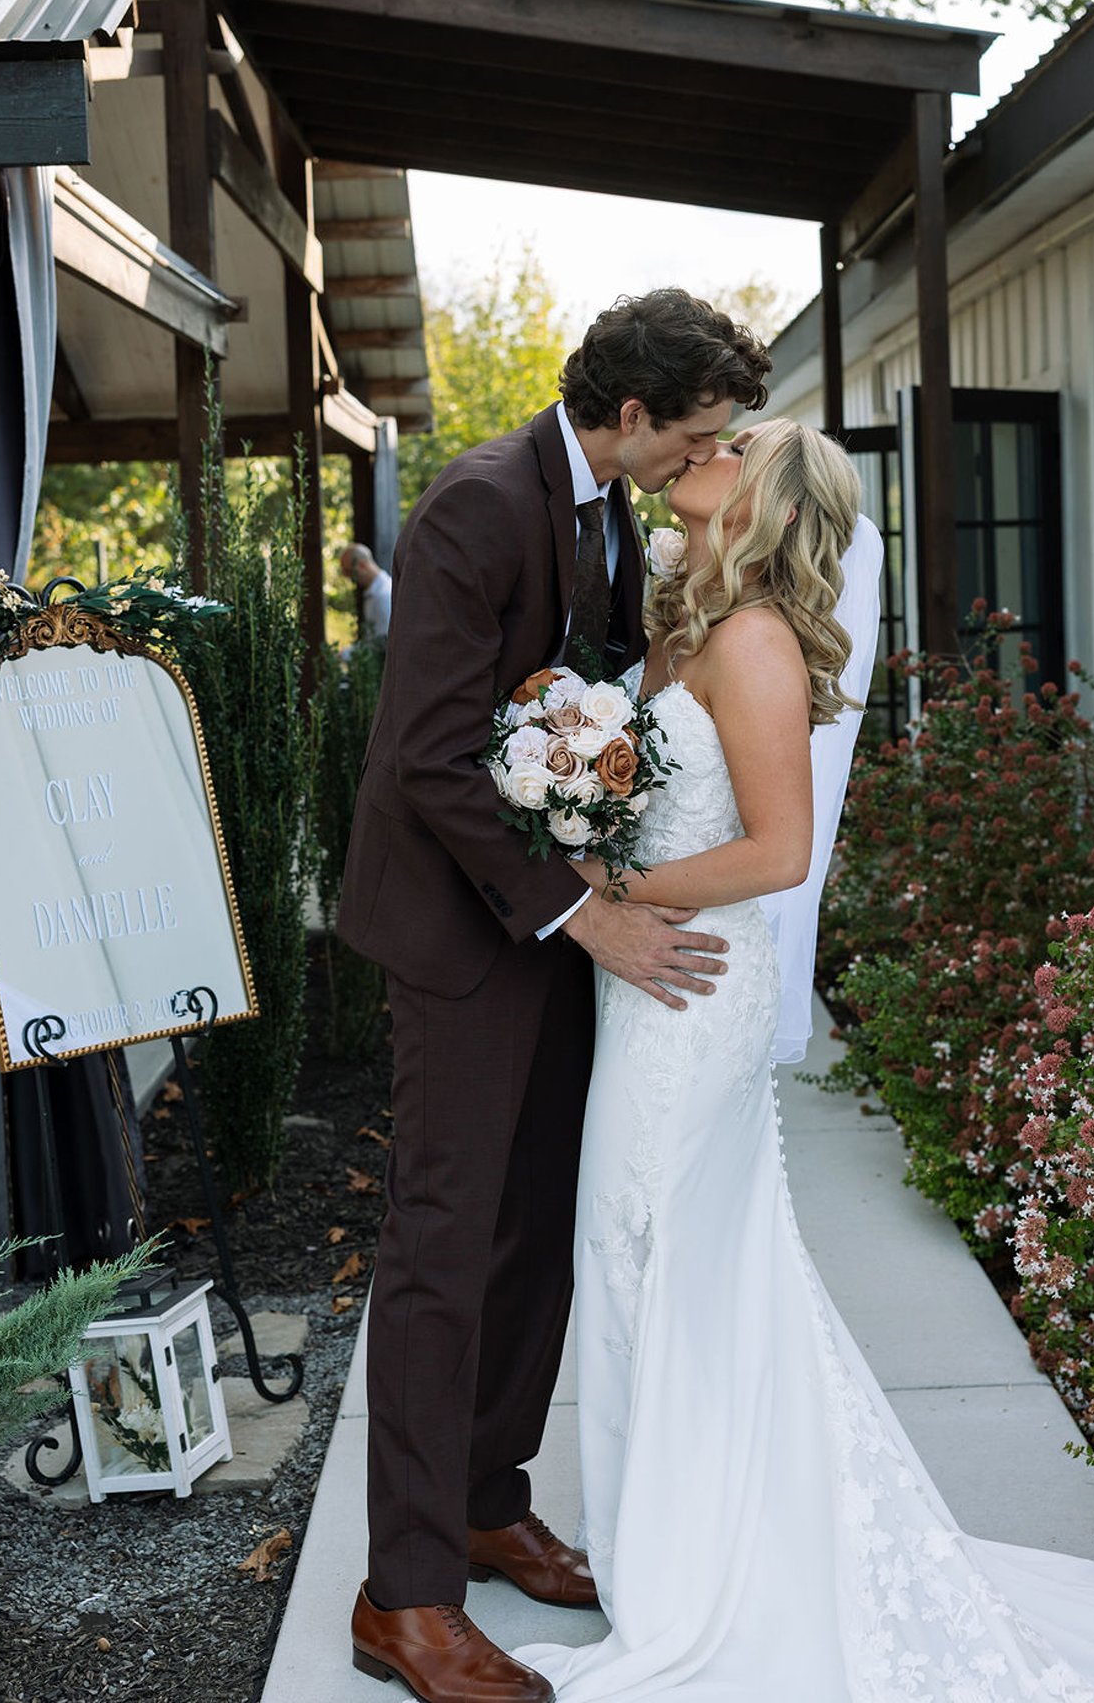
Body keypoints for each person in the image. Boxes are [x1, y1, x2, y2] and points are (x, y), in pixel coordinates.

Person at [513, 419, 1094, 1700]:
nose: (699, 451)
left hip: (693, 986)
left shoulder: (756, 642)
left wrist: (614, 879)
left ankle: (694, 1570)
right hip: (647, 986)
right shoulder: (680, 625)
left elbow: (779, 852)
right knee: (632, 1259)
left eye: (728, 445)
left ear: (766, 499)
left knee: (651, 1250)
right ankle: (663, 1540)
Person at [335, 289, 773, 1703]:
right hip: (463, 942)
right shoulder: (475, 505)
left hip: (537, 926)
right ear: (632, 414)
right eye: (698, 434)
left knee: (533, 1232)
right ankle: (403, 1599)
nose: (708, 459)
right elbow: (430, 760)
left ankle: (482, 1497)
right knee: (442, 1253)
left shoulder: (602, 499)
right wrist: (592, 918)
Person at [340, 542, 393, 644]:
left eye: (348, 571)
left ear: (362, 565)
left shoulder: (383, 595)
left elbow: (382, 643)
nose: (347, 577)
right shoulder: (374, 592)